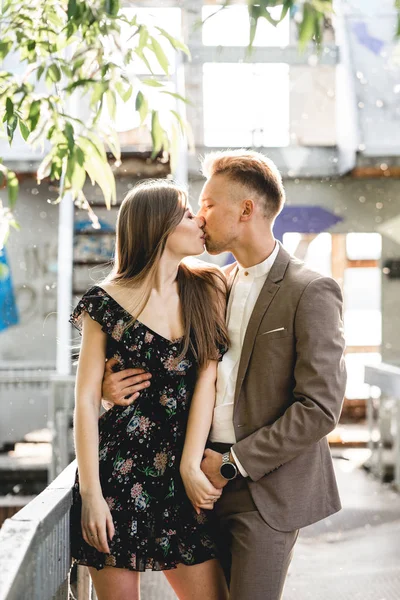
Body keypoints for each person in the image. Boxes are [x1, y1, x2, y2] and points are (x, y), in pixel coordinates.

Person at [102, 150, 347, 600]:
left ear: (246, 210)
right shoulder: (208, 284)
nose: (200, 216)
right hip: (191, 483)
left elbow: (320, 408)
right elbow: (168, 358)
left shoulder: (310, 290)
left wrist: (233, 464)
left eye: (210, 204)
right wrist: (109, 385)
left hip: (262, 488)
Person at [69, 179, 230, 600]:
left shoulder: (207, 287)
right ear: (159, 226)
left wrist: (189, 465)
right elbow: (85, 401)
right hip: (117, 476)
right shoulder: (104, 301)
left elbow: (207, 382)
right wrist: (91, 495)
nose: (200, 221)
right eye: (187, 213)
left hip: (182, 477)